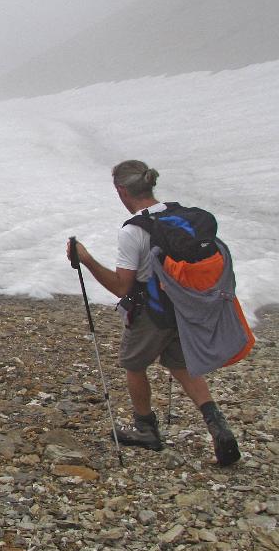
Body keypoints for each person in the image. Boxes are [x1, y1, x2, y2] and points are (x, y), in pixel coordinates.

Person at [66, 160, 240, 466]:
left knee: (133, 363)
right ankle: (217, 423)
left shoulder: (134, 231)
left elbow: (122, 287)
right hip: (185, 306)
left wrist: (87, 260)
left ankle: (146, 428)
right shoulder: (177, 213)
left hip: (152, 311)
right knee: (180, 365)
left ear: (121, 190)